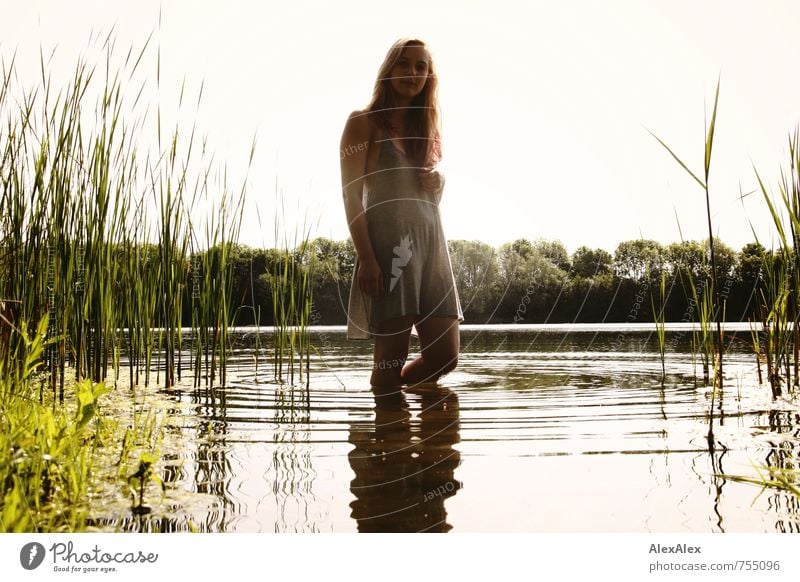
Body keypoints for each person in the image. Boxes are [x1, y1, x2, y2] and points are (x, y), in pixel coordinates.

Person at [339, 38, 463, 391]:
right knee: (390, 359)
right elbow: (350, 194)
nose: (412, 73)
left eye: (421, 67)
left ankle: (408, 428)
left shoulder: (425, 129)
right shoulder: (363, 122)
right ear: (388, 70)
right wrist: (366, 257)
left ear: (429, 76)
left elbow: (422, 195)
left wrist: (439, 181)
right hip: (391, 249)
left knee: (445, 356)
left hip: (433, 248)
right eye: (404, 64)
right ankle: (386, 438)